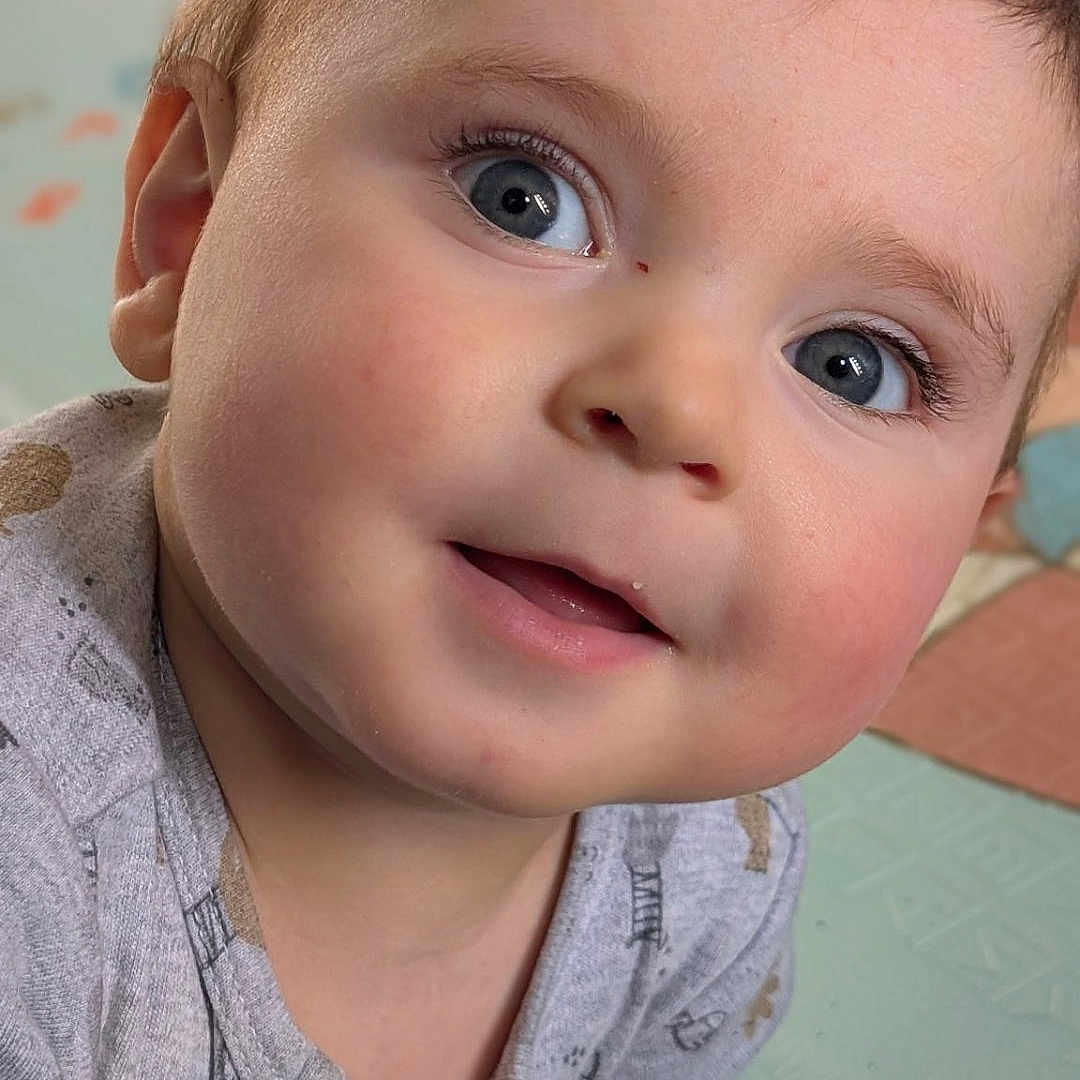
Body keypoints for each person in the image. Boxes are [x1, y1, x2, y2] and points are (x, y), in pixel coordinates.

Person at [1, 0, 1076, 1076]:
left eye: (854, 363)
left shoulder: (713, 857)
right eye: (524, 200)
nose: (677, 407)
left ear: (973, 530)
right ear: (188, 218)